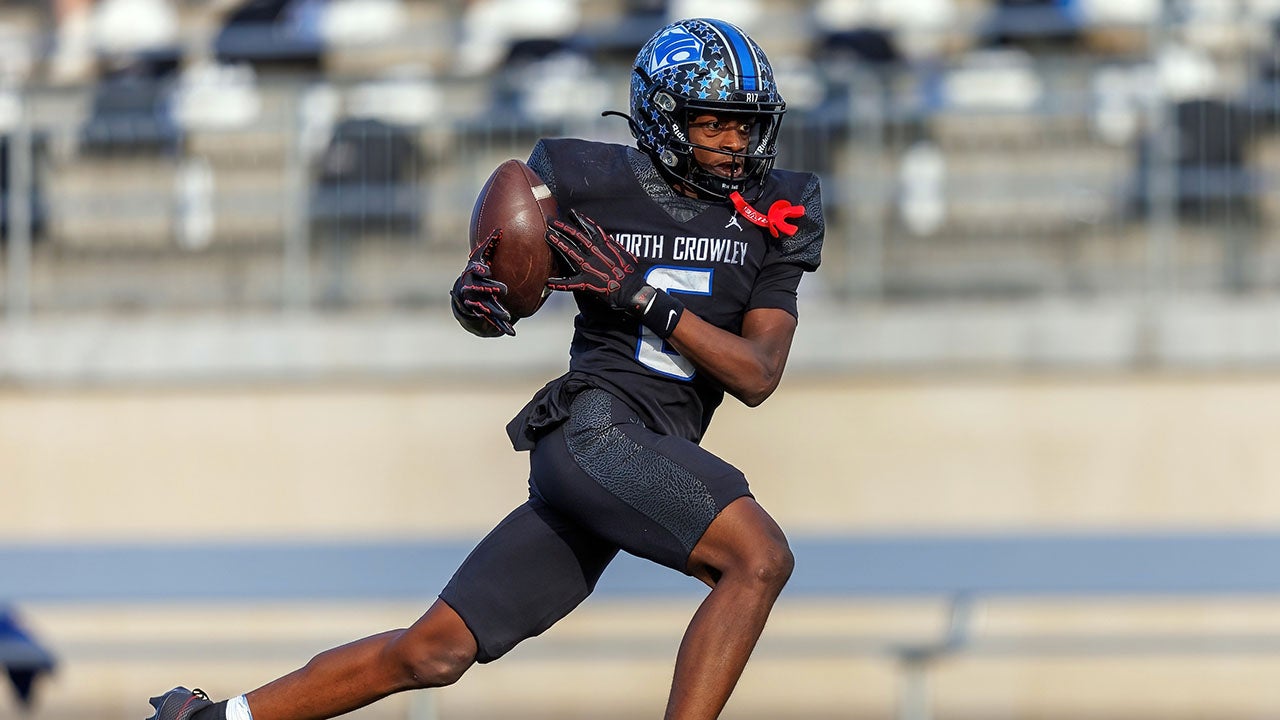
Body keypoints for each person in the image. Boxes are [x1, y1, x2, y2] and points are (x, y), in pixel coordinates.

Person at [146, 16, 823, 720]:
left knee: (432, 651)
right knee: (758, 558)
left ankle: (209, 718)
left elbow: (757, 374)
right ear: (663, 117)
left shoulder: (782, 207)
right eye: (714, 124)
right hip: (594, 430)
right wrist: (475, 298)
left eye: (745, 126)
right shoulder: (581, 177)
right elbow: (501, 298)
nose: (734, 144)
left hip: (646, 456)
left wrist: (639, 295)